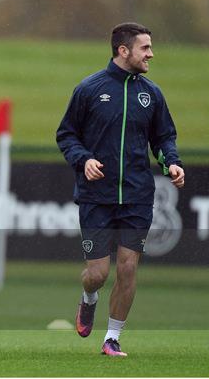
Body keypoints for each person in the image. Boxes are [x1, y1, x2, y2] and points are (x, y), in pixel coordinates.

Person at [56, 23, 184, 356]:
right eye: (145, 48)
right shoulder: (88, 89)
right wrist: (83, 160)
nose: (151, 54)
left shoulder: (152, 94)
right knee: (97, 274)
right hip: (96, 196)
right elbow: (66, 135)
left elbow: (164, 137)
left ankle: (112, 338)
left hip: (138, 195)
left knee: (128, 266)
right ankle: (89, 298)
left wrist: (171, 161)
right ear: (123, 50)